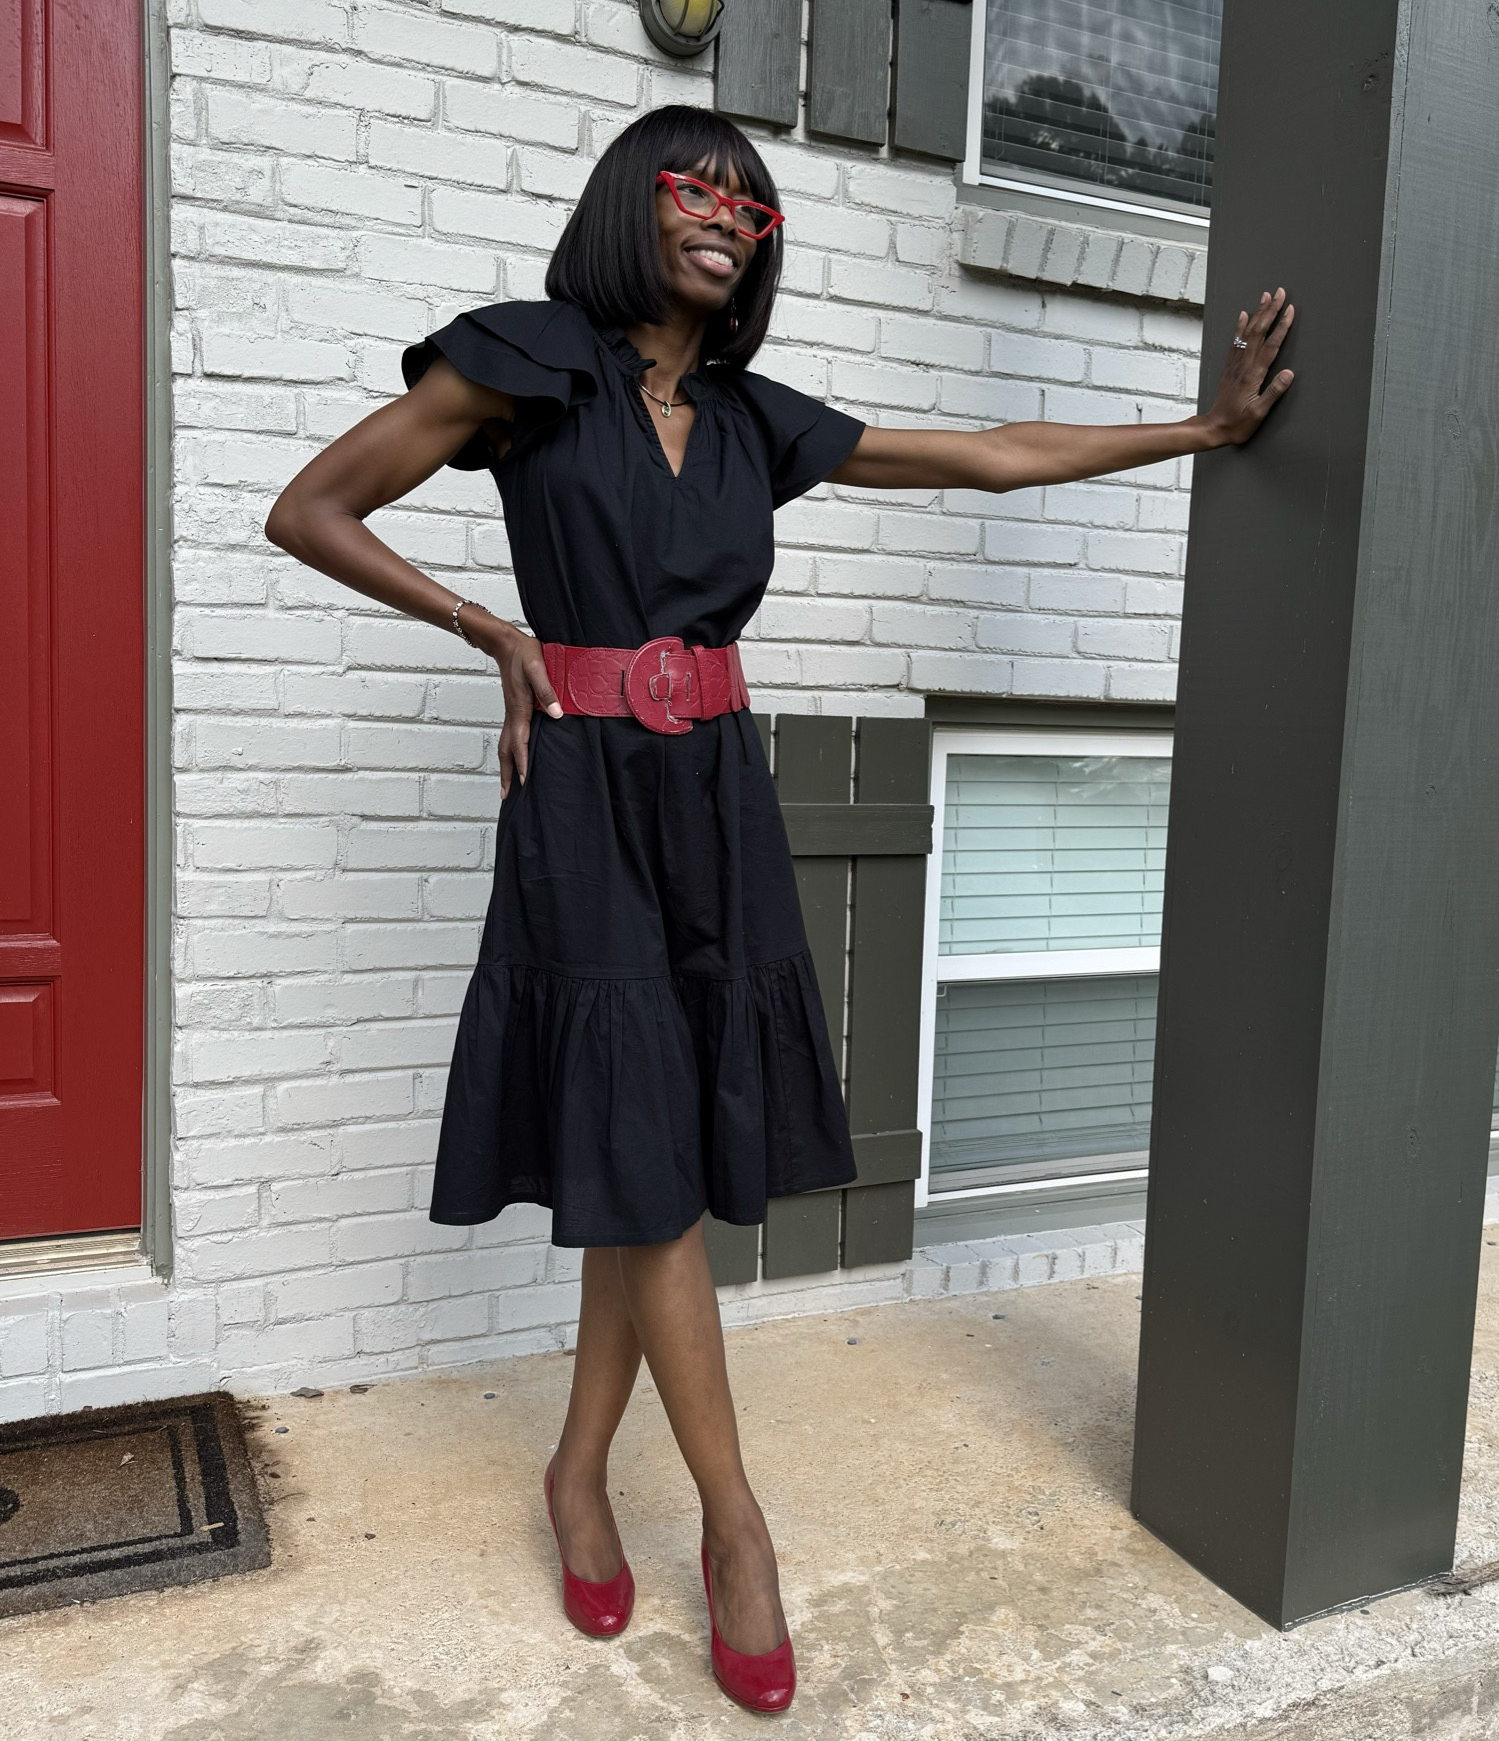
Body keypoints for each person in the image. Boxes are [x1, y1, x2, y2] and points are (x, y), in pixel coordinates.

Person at [264, 103, 1295, 1715]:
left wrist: (1202, 434)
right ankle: (735, 1527)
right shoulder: (528, 366)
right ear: (633, 200)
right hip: (585, 799)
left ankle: (577, 1474)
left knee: (645, 1163)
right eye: (697, 186)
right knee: (650, 1165)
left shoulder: (750, 420)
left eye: (752, 205)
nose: (727, 214)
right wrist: (490, 632)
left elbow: (985, 458)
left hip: (715, 797)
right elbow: (313, 509)